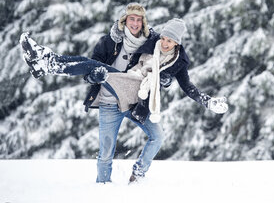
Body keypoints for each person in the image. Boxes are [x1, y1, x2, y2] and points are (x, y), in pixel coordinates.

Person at [20, 10, 228, 183]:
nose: (165, 43)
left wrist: (207, 101)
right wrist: (118, 29)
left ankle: (138, 174)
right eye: (164, 38)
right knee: (93, 65)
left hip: (139, 98)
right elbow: (134, 31)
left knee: (158, 137)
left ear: (177, 43)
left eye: (170, 40)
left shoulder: (179, 62)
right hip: (126, 82)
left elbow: (188, 87)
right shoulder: (153, 41)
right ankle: (47, 62)